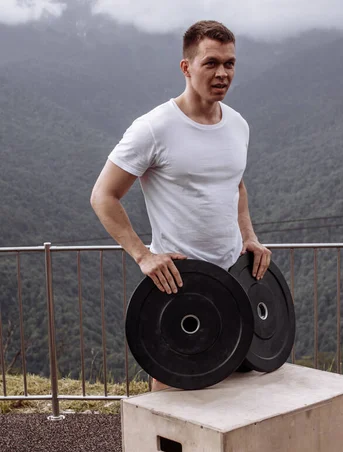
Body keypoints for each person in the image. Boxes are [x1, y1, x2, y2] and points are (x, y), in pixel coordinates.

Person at [90, 20, 271, 391]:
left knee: (236, 406)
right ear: (186, 67)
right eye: (211, 63)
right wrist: (143, 256)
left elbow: (235, 185)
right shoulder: (154, 128)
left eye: (230, 63)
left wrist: (249, 237)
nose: (222, 73)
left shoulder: (239, 125)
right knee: (175, 414)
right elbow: (103, 196)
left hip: (234, 282)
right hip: (179, 287)